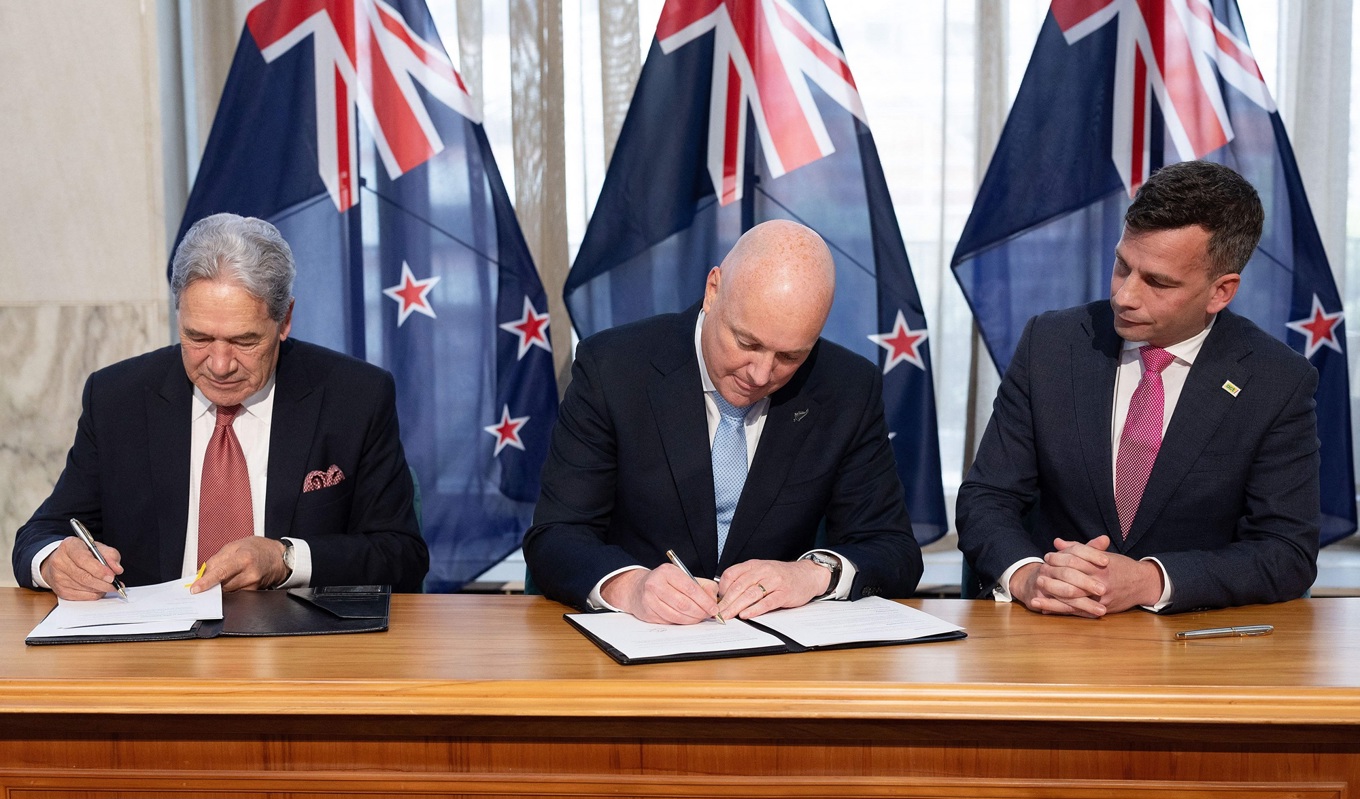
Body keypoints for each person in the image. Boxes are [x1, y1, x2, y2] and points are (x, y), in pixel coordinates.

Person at [957, 160, 1319, 617]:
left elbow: (1286, 550)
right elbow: (988, 497)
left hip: (1191, 650)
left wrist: (1150, 580)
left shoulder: (1276, 380)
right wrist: (1030, 577)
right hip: (1051, 630)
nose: (1124, 295)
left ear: (1220, 292)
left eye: (1158, 282)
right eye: (1122, 266)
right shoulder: (1050, 344)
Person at [524, 220, 923, 624]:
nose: (761, 374)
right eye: (747, 343)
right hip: (638, 646)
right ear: (713, 291)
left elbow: (894, 550)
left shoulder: (847, 389)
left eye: (791, 357)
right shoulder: (613, 370)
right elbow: (557, 535)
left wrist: (811, 574)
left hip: (774, 658)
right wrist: (630, 587)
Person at [12, 213, 429, 599]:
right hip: (154, 657)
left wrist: (286, 560)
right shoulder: (117, 398)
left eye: (244, 341)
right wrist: (53, 561)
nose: (219, 365)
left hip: (300, 656)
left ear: (285, 321)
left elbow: (402, 555)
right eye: (198, 338)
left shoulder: (355, 396)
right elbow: (43, 532)